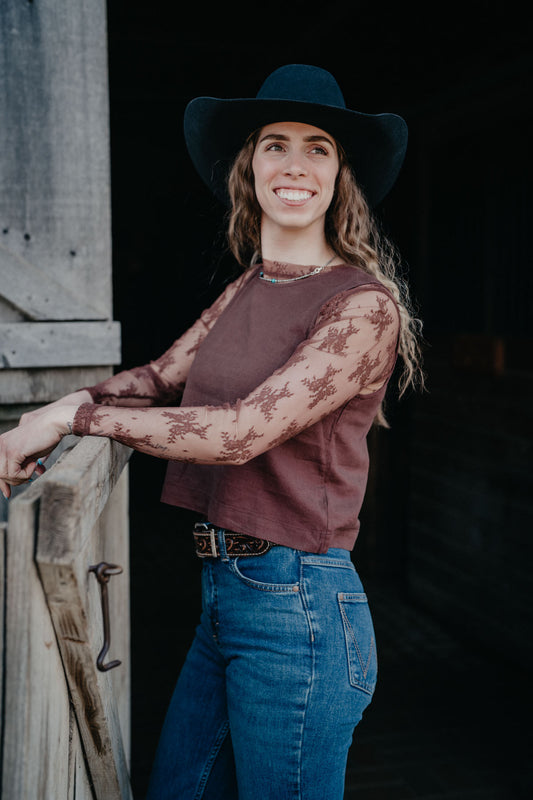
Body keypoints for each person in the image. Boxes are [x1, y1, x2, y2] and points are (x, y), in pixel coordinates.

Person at [0, 64, 423, 799]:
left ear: (340, 177)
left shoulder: (362, 307)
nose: (295, 164)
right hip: (224, 593)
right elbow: (159, 376)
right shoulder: (249, 286)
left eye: (318, 148)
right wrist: (55, 409)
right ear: (248, 168)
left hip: (299, 605)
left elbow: (240, 433)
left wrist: (72, 418)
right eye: (275, 145)